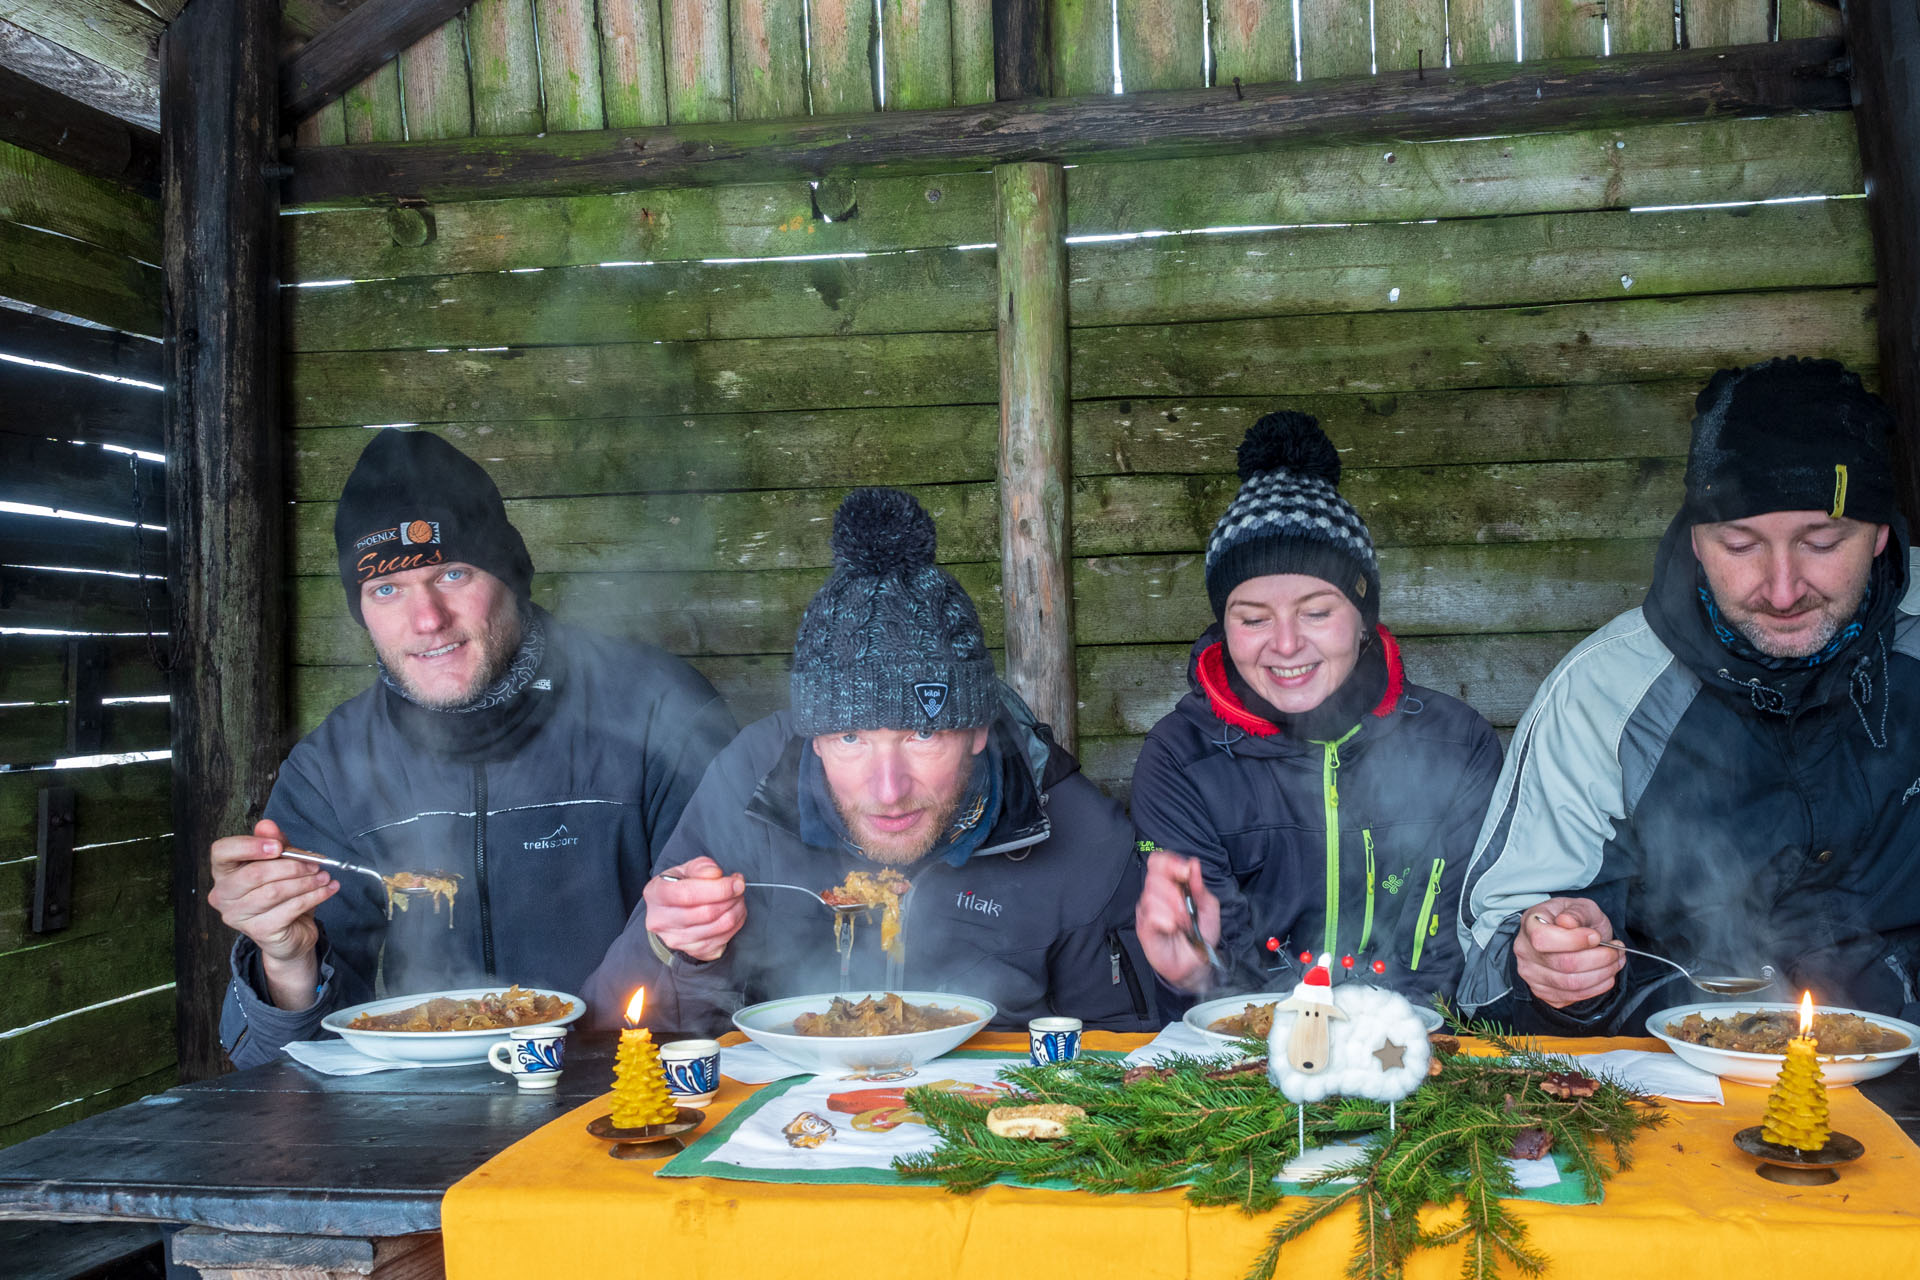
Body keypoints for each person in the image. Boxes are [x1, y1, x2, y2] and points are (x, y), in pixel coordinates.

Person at [208, 429, 736, 1067]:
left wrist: (681, 941)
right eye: (387, 589)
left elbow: (739, 978)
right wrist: (285, 961)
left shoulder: (661, 712)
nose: (426, 619)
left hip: (631, 1092)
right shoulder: (330, 769)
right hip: (419, 1119)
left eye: (452, 574)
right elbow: (274, 1068)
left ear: (510, 577)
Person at [584, 486, 1157, 1034]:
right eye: (850, 738)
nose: (888, 789)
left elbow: (1130, 1069)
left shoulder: (1083, 837)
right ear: (812, 737)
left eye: (923, 734)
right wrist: (679, 949)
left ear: (979, 729)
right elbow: (611, 1035)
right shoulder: (746, 784)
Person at [1458, 357, 1920, 1033]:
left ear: (1879, 533)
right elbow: (1488, 963)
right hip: (1684, 1094)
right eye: (1741, 543)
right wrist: (1550, 966)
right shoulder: (1605, 695)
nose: (1783, 588)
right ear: (1698, 543)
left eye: (1821, 541)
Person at [1129, 412, 1502, 1004]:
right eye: (1253, 618)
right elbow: (1218, 995)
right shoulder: (1179, 758)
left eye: (1316, 611)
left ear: (1362, 617)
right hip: (1246, 1072)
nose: (1284, 645)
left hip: (1422, 1062)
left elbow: (1465, 954)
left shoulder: (1459, 745)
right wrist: (1192, 973)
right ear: (1224, 626)